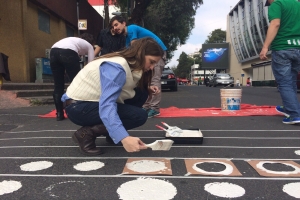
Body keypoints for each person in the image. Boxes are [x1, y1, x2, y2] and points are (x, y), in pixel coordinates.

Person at [61, 38, 164, 156]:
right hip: (78, 107)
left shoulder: (126, 63)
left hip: (87, 103)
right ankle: (86, 134)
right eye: (151, 62)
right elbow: (107, 104)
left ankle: (111, 134)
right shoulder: (117, 67)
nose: (152, 67)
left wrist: (148, 88)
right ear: (141, 54)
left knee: (142, 93)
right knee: (139, 115)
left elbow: (125, 85)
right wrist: (123, 137)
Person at [110, 15, 167, 118]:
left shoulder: (131, 29)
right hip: (148, 54)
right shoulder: (126, 38)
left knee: (154, 79)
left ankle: (154, 108)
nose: (115, 28)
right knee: (145, 79)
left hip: (157, 53)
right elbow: (128, 53)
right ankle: (146, 106)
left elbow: (134, 47)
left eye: (116, 24)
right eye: (113, 27)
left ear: (124, 23)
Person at [259, 0, 300, 124]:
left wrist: (265, 46)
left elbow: (275, 24)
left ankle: (294, 114)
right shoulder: (297, 4)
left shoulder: (277, 5)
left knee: (284, 83)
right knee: (292, 80)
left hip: (282, 48)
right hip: (298, 47)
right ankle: (289, 107)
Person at [50, 33, 95, 121]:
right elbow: (91, 65)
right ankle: (79, 109)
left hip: (53, 51)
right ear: (91, 42)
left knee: (58, 84)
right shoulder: (89, 46)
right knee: (77, 82)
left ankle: (59, 113)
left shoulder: (73, 40)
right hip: (68, 52)